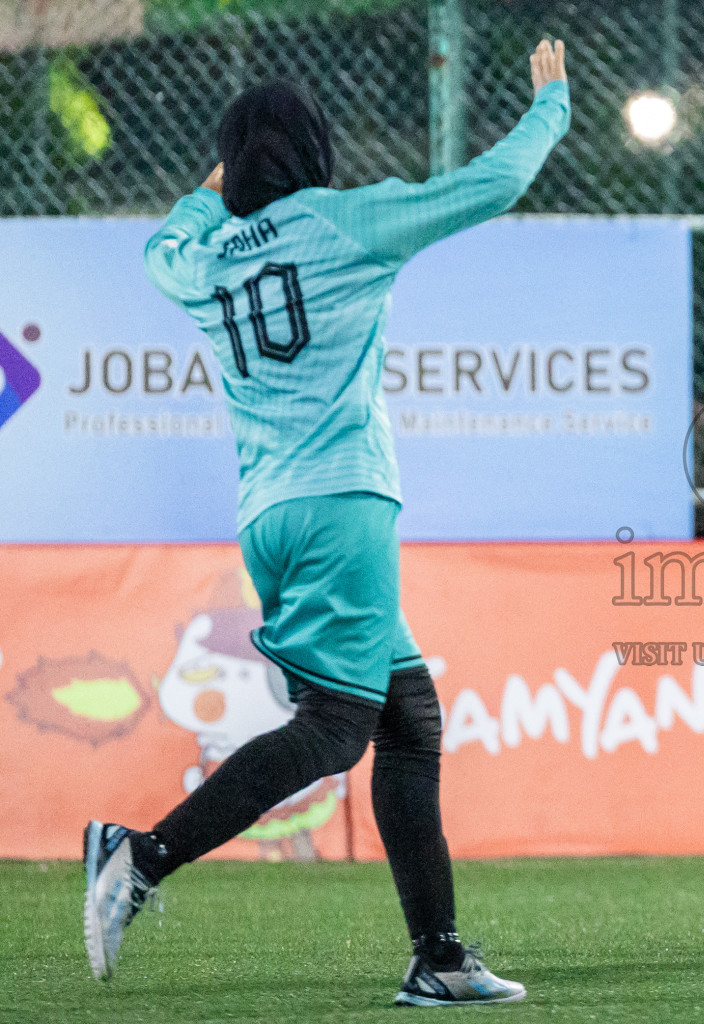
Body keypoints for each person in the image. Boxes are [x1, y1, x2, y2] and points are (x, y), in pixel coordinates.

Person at [82, 39, 570, 1006]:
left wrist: (205, 191)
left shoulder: (206, 254)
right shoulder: (349, 222)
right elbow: (496, 181)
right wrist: (549, 104)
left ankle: (438, 959)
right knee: (338, 728)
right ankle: (140, 855)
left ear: (232, 165)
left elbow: (158, 251)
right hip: (343, 505)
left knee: (409, 718)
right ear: (316, 151)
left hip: (268, 515)